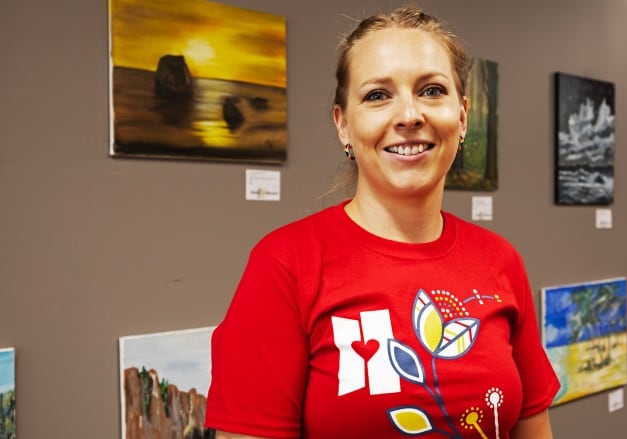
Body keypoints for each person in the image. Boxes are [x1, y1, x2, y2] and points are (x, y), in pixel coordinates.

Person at [205, 6, 559, 439]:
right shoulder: (285, 265)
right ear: (343, 125)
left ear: (462, 117)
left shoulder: (500, 260)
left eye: (431, 90)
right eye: (377, 95)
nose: (409, 115)